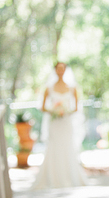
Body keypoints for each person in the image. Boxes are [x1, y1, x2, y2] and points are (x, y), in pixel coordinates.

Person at [32, 62, 86, 190]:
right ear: (55, 70)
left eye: (63, 68)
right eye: (58, 68)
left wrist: (65, 110)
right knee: (54, 146)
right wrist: (54, 110)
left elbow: (77, 108)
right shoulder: (48, 88)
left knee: (67, 146)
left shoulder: (73, 88)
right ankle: (52, 177)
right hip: (54, 122)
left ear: (66, 70)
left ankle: (69, 177)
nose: (60, 71)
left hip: (66, 122)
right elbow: (43, 107)